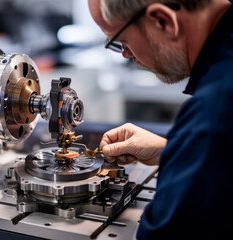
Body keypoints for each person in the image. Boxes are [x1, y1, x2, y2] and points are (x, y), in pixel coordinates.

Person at [88, 0, 233, 239]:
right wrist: (174, 151)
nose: (126, 55)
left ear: (163, 21)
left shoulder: (213, 115)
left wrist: (196, 145)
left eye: (122, 42)